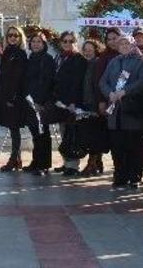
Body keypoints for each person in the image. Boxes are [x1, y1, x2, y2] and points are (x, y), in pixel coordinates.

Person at [100, 34, 143, 189]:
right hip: (115, 112)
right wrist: (109, 93)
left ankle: (135, 176)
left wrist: (125, 91)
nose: (123, 46)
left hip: (133, 111)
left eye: (126, 43)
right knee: (118, 147)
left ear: (132, 44)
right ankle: (120, 176)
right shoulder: (113, 62)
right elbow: (103, 81)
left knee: (134, 146)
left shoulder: (140, 61)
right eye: (121, 43)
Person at [54, 31, 89, 176]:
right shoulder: (59, 57)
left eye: (71, 41)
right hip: (61, 102)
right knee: (64, 133)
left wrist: (73, 102)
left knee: (72, 135)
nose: (68, 44)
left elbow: (77, 82)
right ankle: (66, 162)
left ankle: (73, 166)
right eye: (65, 41)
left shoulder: (78, 59)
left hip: (72, 103)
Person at [0, 26, 29, 172]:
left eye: (16, 35)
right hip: (5, 95)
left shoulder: (20, 54)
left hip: (14, 97)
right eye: (10, 35)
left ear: (20, 38)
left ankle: (14, 159)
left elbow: (18, 78)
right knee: (12, 128)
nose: (13, 38)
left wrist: (13, 97)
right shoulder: (7, 52)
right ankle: (17, 158)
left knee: (14, 129)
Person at [91, 27, 122, 174]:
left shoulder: (128, 54)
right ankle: (101, 163)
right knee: (110, 136)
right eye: (108, 39)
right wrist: (102, 100)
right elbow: (99, 81)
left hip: (126, 102)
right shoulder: (103, 58)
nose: (112, 42)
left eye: (115, 38)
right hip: (108, 101)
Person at [24, 32, 56, 175]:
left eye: (39, 42)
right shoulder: (30, 58)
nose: (36, 44)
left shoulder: (48, 59)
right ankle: (36, 161)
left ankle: (43, 164)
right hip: (30, 102)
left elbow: (48, 82)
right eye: (34, 41)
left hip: (42, 103)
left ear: (44, 44)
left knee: (43, 134)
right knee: (35, 134)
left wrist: (40, 102)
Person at [78, 39, 108, 176]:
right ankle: (97, 163)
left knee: (95, 136)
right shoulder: (84, 64)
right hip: (86, 104)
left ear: (96, 50)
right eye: (85, 50)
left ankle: (92, 163)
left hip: (96, 104)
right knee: (92, 136)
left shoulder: (97, 63)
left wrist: (100, 102)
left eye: (90, 49)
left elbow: (98, 84)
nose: (88, 52)